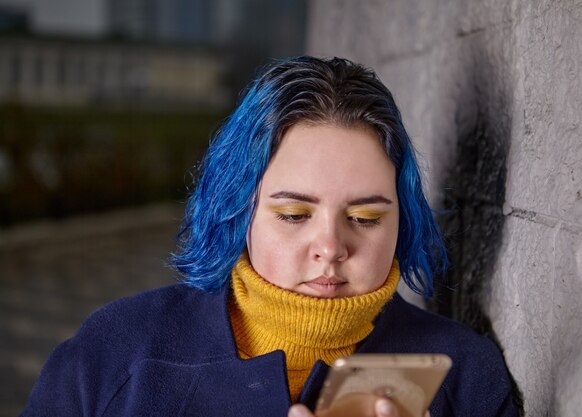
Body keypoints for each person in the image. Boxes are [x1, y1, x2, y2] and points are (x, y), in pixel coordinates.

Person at [20, 56, 517, 417]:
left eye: (365, 218)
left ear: (402, 220)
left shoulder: (466, 377)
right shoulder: (118, 352)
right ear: (241, 209)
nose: (331, 247)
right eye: (295, 214)